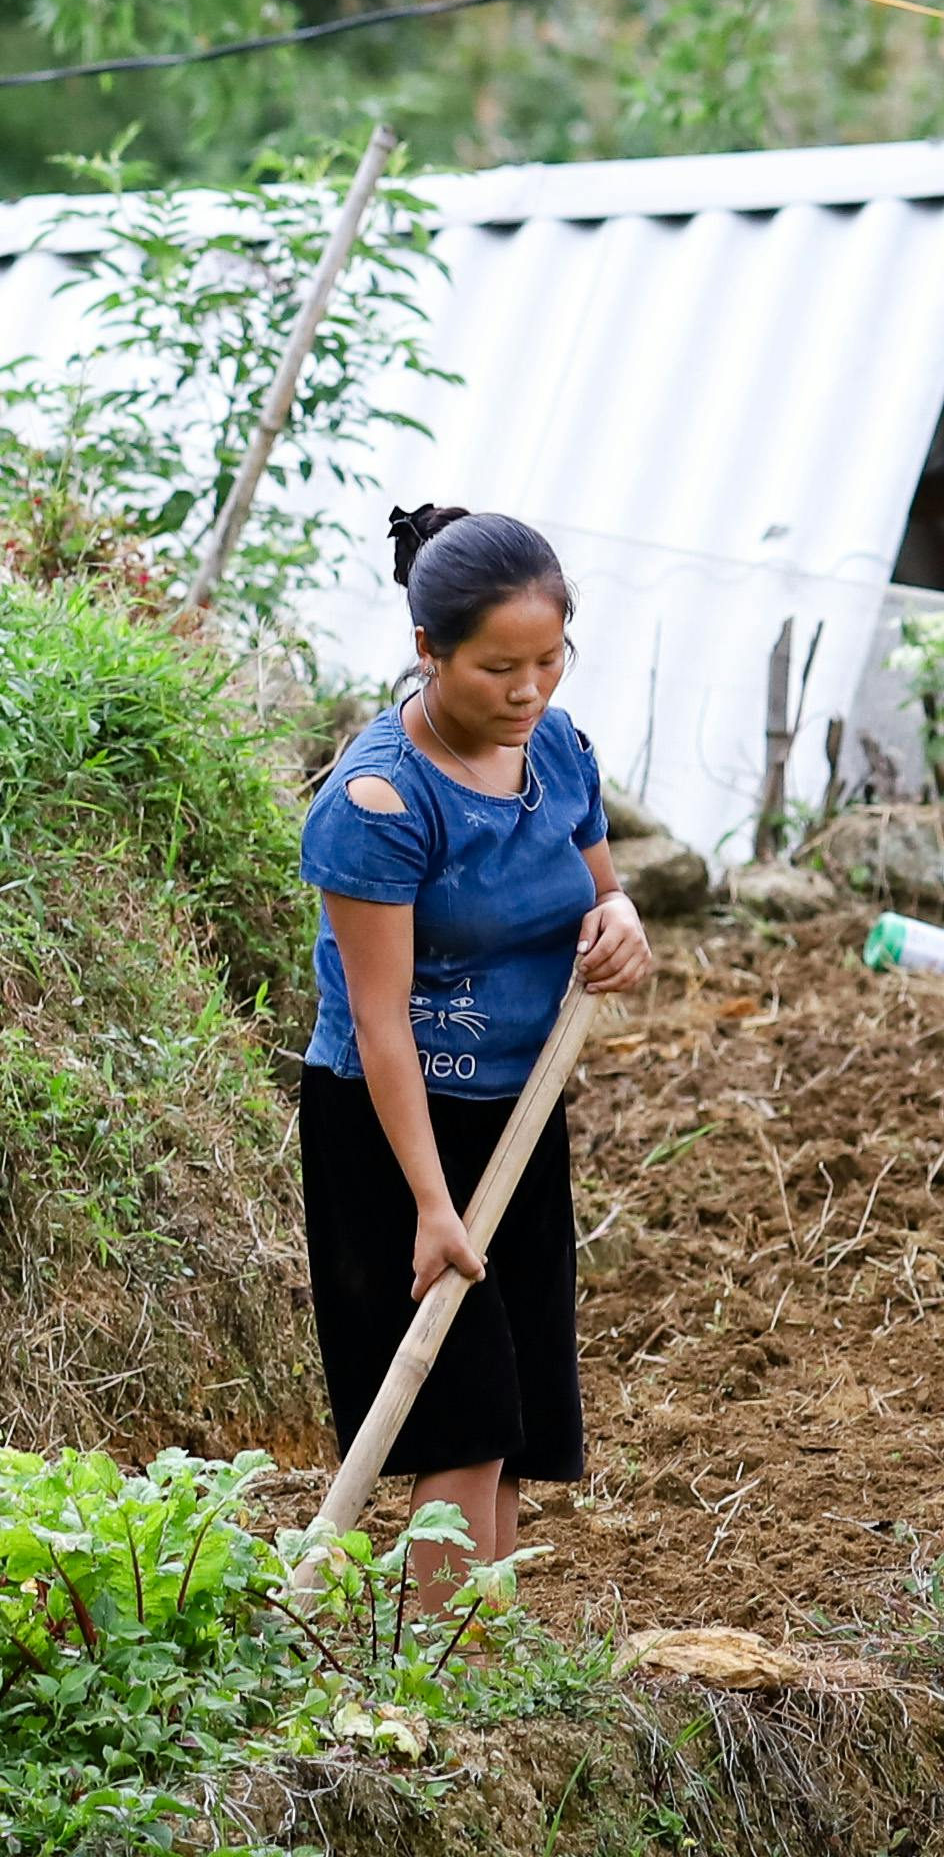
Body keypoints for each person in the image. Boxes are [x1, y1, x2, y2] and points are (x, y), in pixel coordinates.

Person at [297, 504, 653, 1606]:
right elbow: (380, 1019)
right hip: (390, 1132)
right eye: (499, 667)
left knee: (515, 1413)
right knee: (456, 1407)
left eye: (549, 661)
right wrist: (431, 1205)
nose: (527, 690)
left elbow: (600, 891)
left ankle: (484, 1661)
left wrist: (624, 918)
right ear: (428, 653)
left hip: (518, 1109)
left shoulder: (554, 746)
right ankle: (443, 1683)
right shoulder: (377, 804)